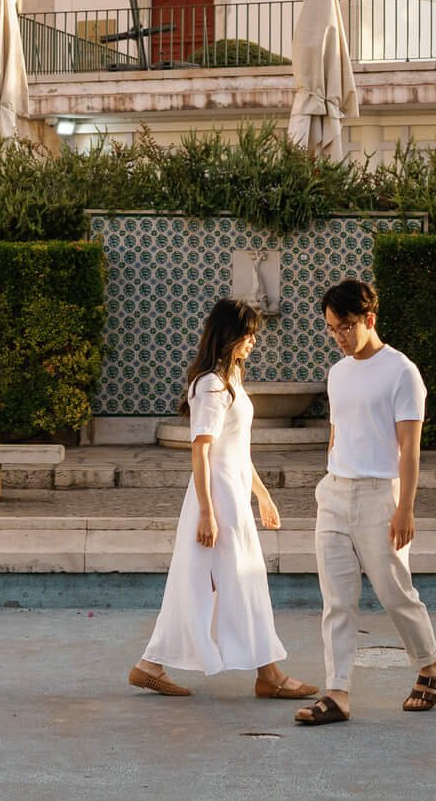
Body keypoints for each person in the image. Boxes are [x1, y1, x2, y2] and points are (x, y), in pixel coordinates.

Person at [130, 298, 318, 702]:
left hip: (231, 496)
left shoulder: (228, 381)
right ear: (228, 334)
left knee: (204, 583)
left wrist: (263, 496)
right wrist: (207, 513)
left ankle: (149, 665)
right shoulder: (212, 385)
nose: (252, 341)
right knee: (238, 580)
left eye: (254, 334)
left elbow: (237, 451)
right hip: (216, 500)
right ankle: (268, 674)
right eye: (247, 333)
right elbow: (201, 450)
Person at [295, 277, 436, 726]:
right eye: (331, 328)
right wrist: (330, 476)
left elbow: (410, 447)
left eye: (345, 327)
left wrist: (405, 508)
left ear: (369, 320)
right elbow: (338, 431)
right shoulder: (337, 373)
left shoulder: (402, 372)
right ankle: (337, 694)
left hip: (382, 496)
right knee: (336, 601)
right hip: (335, 493)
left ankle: (431, 665)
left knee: (394, 592)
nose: (339, 336)